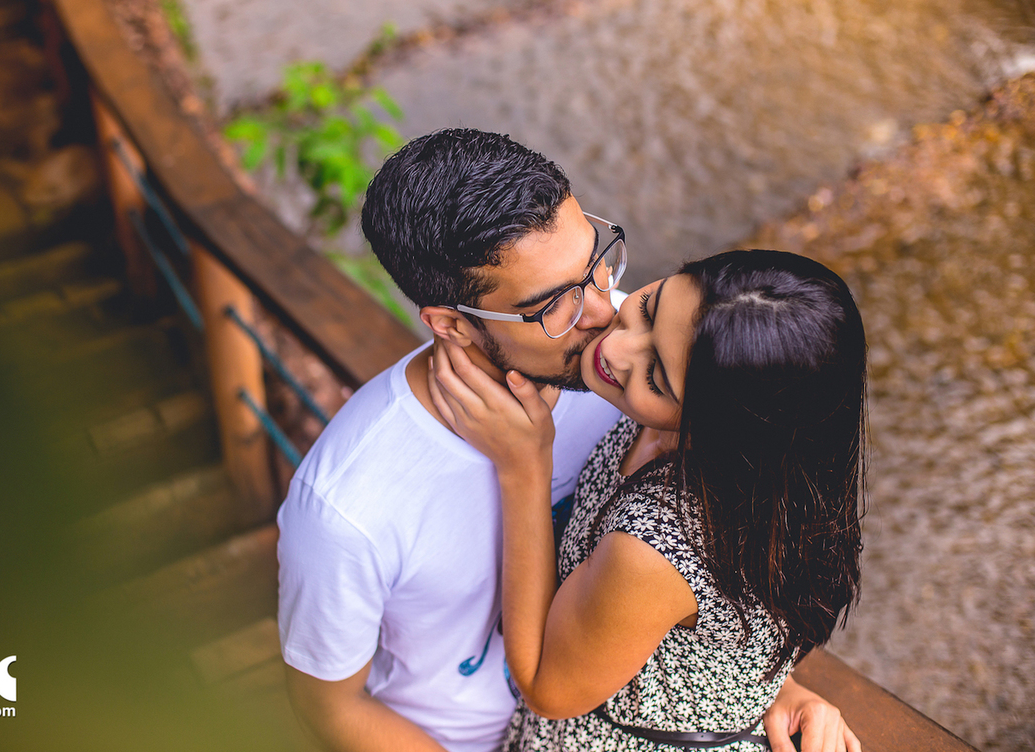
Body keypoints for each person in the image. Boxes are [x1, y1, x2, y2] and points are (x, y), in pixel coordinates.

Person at [277, 129, 855, 752]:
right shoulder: (346, 509)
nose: (607, 316)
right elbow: (333, 710)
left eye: (598, 266)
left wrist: (759, 690)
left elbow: (743, 531)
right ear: (451, 324)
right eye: (555, 303)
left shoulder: (659, 366)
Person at [426, 249, 867, 751]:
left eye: (655, 376)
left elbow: (548, 689)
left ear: (723, 428)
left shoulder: (658, 543)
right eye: (649, 308)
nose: (615, 349)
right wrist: (773, 688)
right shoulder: (755, 468)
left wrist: (524, 465)